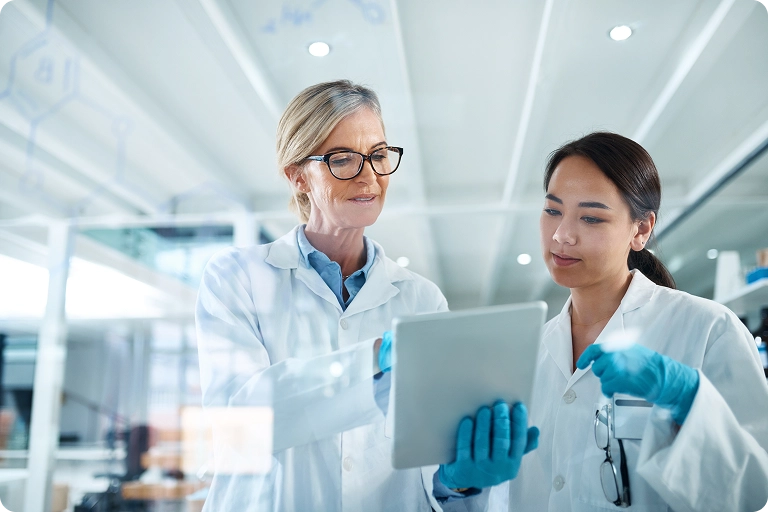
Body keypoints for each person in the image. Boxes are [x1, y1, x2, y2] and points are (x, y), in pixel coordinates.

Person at [436, 132, 768, 511]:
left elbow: (756, 494)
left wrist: (686, 399)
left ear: (640, 230)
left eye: (591, 217)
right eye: (552, 210)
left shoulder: (708, 329)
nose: (562, 235)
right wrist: (458, 487)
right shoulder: (524, 356)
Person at [195, 80, 449, 511]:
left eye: (379, 155)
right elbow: (238, 425)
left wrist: (458, 481)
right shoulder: (237, 278)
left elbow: (429, 454)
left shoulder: (423, 301)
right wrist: (368, 363)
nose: (369, 175)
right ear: (297, 176)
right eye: (343, 159)